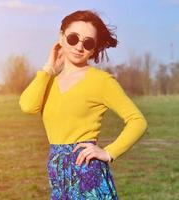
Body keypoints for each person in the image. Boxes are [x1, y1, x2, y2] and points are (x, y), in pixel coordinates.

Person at [19, 10, 148, 199]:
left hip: (87, 172)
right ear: (61, 37)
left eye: (88, 43)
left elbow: (137, 121)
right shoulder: (48, 82)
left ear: (94, 49)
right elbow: (27, 106)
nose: (79, 47)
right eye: (73, 38)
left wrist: (109, 152)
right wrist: (48, 69)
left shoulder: (101, 81)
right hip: (57, 174)